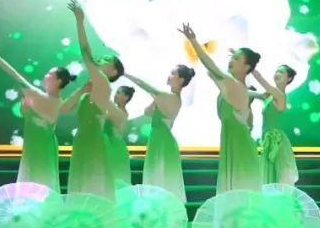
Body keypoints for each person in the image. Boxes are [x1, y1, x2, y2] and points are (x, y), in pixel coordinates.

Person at [179, 23, 260, 194]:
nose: (231, 60)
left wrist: (193, 41)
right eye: (232, 57)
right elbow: (212, 72)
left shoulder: (234, 85)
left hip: (239, 148)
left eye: (237, 59)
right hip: (233, 144)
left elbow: (210, 66)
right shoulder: (234, 86)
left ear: (246, 67)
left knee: (240, 192)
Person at [0, 41, 75, 191]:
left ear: (58, 81)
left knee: (37, 180)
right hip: (37, 144)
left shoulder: (42, 97)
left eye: (50, 74)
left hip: (39, 146)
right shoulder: (53, 100)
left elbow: (16, 76)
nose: (46, 76)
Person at [65, 0, 124, 198]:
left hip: (93, 142)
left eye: (107, 60)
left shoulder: (103, 83)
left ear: (113, 72)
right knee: (82, 184)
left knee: (92, 185)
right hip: (82, 140)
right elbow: (64, 109)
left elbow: (86, 53)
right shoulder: (92, 86)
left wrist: (80, 21)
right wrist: (81, 91)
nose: (101, 59)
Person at [125, 66, 194, 202]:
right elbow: (147, 112)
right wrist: (156, 100)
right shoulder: (165, 97)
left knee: (160, 174)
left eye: (173, 73)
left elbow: (145, 85)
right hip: (157, 139)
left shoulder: (172, 98)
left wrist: (126, 74)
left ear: (181, 80)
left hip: (163, 141)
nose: (169, 75)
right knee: (156, 173)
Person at [251, 65, 299, 186]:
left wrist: (250, 65)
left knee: (278, 176)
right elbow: (253, 94)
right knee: (268, 176)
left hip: (277, 142)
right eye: (276, 71)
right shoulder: (270, 95)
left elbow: (261, 81)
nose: (277, 74)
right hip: (268, 141)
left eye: (281, 72)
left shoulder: (280, 95)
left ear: (289, 78)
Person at [104, 85, 135, 189]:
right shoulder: (116, 110)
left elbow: (105, 100)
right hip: (112, 145)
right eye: (116, 92)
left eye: (118, 93)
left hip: (114, 147)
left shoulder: (120, 112)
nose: (115, 95)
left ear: (126, 97)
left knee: (115, 178)